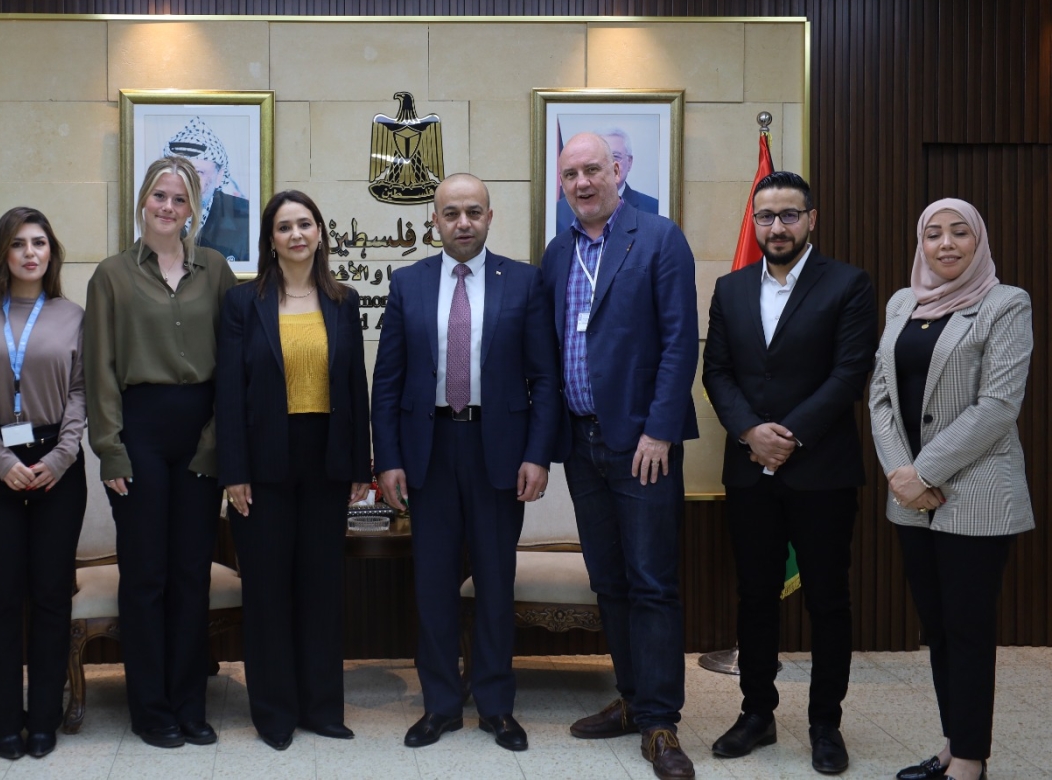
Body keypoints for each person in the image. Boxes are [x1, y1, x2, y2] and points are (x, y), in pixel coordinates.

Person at [371, 173, 559, 753]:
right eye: (451, 213)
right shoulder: (407, 283)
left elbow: (544, 378)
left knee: (497, 583)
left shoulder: (524, 282)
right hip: (429, 450)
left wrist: (537, 454)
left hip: (498, 451)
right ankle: (441, 706)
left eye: (473, 211)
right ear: (435, 220)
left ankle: (498, 707)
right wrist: (389, 461)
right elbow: (388, 382)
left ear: (490, 216)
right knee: (432, 584)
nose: (462, 222)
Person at [701, 171, 878, 775]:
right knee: (754, 597)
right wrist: (752, 433)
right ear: (754, 223)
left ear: (812, 218)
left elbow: (849, 373)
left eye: (789, 215)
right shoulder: (729, 289)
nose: (777, 227)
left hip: (821, 472)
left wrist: (789, 436)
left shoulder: (849, 285)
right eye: (766, 216)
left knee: (828, 600)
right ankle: (757, 714)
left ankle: (825, 723)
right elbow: (716, 373)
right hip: (750, 471)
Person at [541, 132, 699, 780]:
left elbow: (679, 340)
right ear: (561, 184)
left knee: (652, 582)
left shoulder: (658, 239)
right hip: (582, 446)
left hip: (643, 447)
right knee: (609, 580)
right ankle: (633, 701)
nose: (582, 182)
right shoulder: (557, 254)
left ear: (616, 171)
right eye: (570, 174)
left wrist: (659, 432)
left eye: (592, 170)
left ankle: (661, 723)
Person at [869, 199, 1033, 780]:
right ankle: (952, 743)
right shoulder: (901, 303)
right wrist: (899, 474)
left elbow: (997, 407)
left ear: (978, 241)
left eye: (959, 233)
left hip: (975, 492)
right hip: (911, 497)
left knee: (967, 629)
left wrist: (924, 473)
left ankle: (969, 762)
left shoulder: (1005, 304)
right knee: (936, 628)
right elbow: (881, 397)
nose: (945, 244)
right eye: (933, 234)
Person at [84, 155, 237, 748]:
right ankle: (150, 709)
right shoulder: (112, 275)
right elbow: (98, 370)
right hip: (139, 433)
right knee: (146, 577)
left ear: (192, 208)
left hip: (201, 431)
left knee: (190, 575)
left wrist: (216, 441)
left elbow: (231, 365)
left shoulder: (216, 270)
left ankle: (189, 705)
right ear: (142, 202)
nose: (167, 208)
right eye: (158, 197)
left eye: (178, 199)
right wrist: (110, 451)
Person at [215, 190, 371, 750]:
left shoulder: (343, 299)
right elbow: (229, 394)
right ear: (271, 240)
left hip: (326, 459)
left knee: (322, 589)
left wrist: (360, 464)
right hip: (262, 464)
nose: (297, 234)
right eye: (285, 227)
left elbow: (356, 385)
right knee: (268, 592)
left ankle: (323, 708)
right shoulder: (242, 303)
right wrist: (233, 471)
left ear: (320, 234)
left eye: (306, 224)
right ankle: (275, 713)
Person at [0, 207, 86, 761]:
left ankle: (44, 717)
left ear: (51, 252)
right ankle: (4, 718)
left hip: (57, 462)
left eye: (39, 243)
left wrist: (60, 457)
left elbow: (83, 391)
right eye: (18, 244)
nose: (30, 252)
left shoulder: (73, 315)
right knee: (2, 596)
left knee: (52, 596)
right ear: (2, 254)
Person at [165, 116, 250, 263]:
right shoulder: (156, 212)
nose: (188, 181)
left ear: (219, 176)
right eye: (181, 171)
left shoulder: (246, 216)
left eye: (198, 173)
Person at [555, 126, 659, 233]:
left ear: (617, 169)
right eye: (571, 174)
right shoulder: (559, 211)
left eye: (615, 156)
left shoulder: (654, 208)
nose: (582, 183)